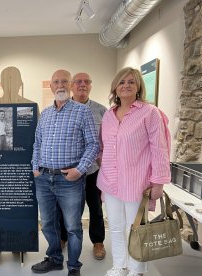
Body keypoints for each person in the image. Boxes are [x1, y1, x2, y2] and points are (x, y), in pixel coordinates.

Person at [97, 67, 170, 276]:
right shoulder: (109, 115)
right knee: (116, 226)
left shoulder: (149, 112)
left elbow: (160, 149)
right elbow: (104, 148)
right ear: (115, 88)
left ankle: (136, 269)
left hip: (137, 182)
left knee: (135, 229)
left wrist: (159, 182)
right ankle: (120, 265)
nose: (126, 85)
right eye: (121, 82)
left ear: (138, 87)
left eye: (131, 82)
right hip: (111, 182)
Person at [31, 69, 99, 276]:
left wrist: (79, 170)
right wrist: (35, 166)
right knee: (48, 223)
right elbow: (37, 143)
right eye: (56, 82)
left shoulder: (82, 111)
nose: (60, 85)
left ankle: (73, 266)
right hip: (44, 178)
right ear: (50, 86)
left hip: (69, 180)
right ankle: (54, 259)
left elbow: (93, 145)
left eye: (64, 82)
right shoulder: (45, 114)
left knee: (72, 227)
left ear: (70, 86)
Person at [58, 72, 107, 260]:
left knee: (95, 207)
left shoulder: (102, 111)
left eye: (87, 82)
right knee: (66, 208)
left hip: (92, 170)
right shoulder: (61, 108)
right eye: (78, 82)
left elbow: (106, 141)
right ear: (71, 85)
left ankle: (98, 242)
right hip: (68, 171)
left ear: (91, 86)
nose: (82, 85)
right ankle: (63, 238)